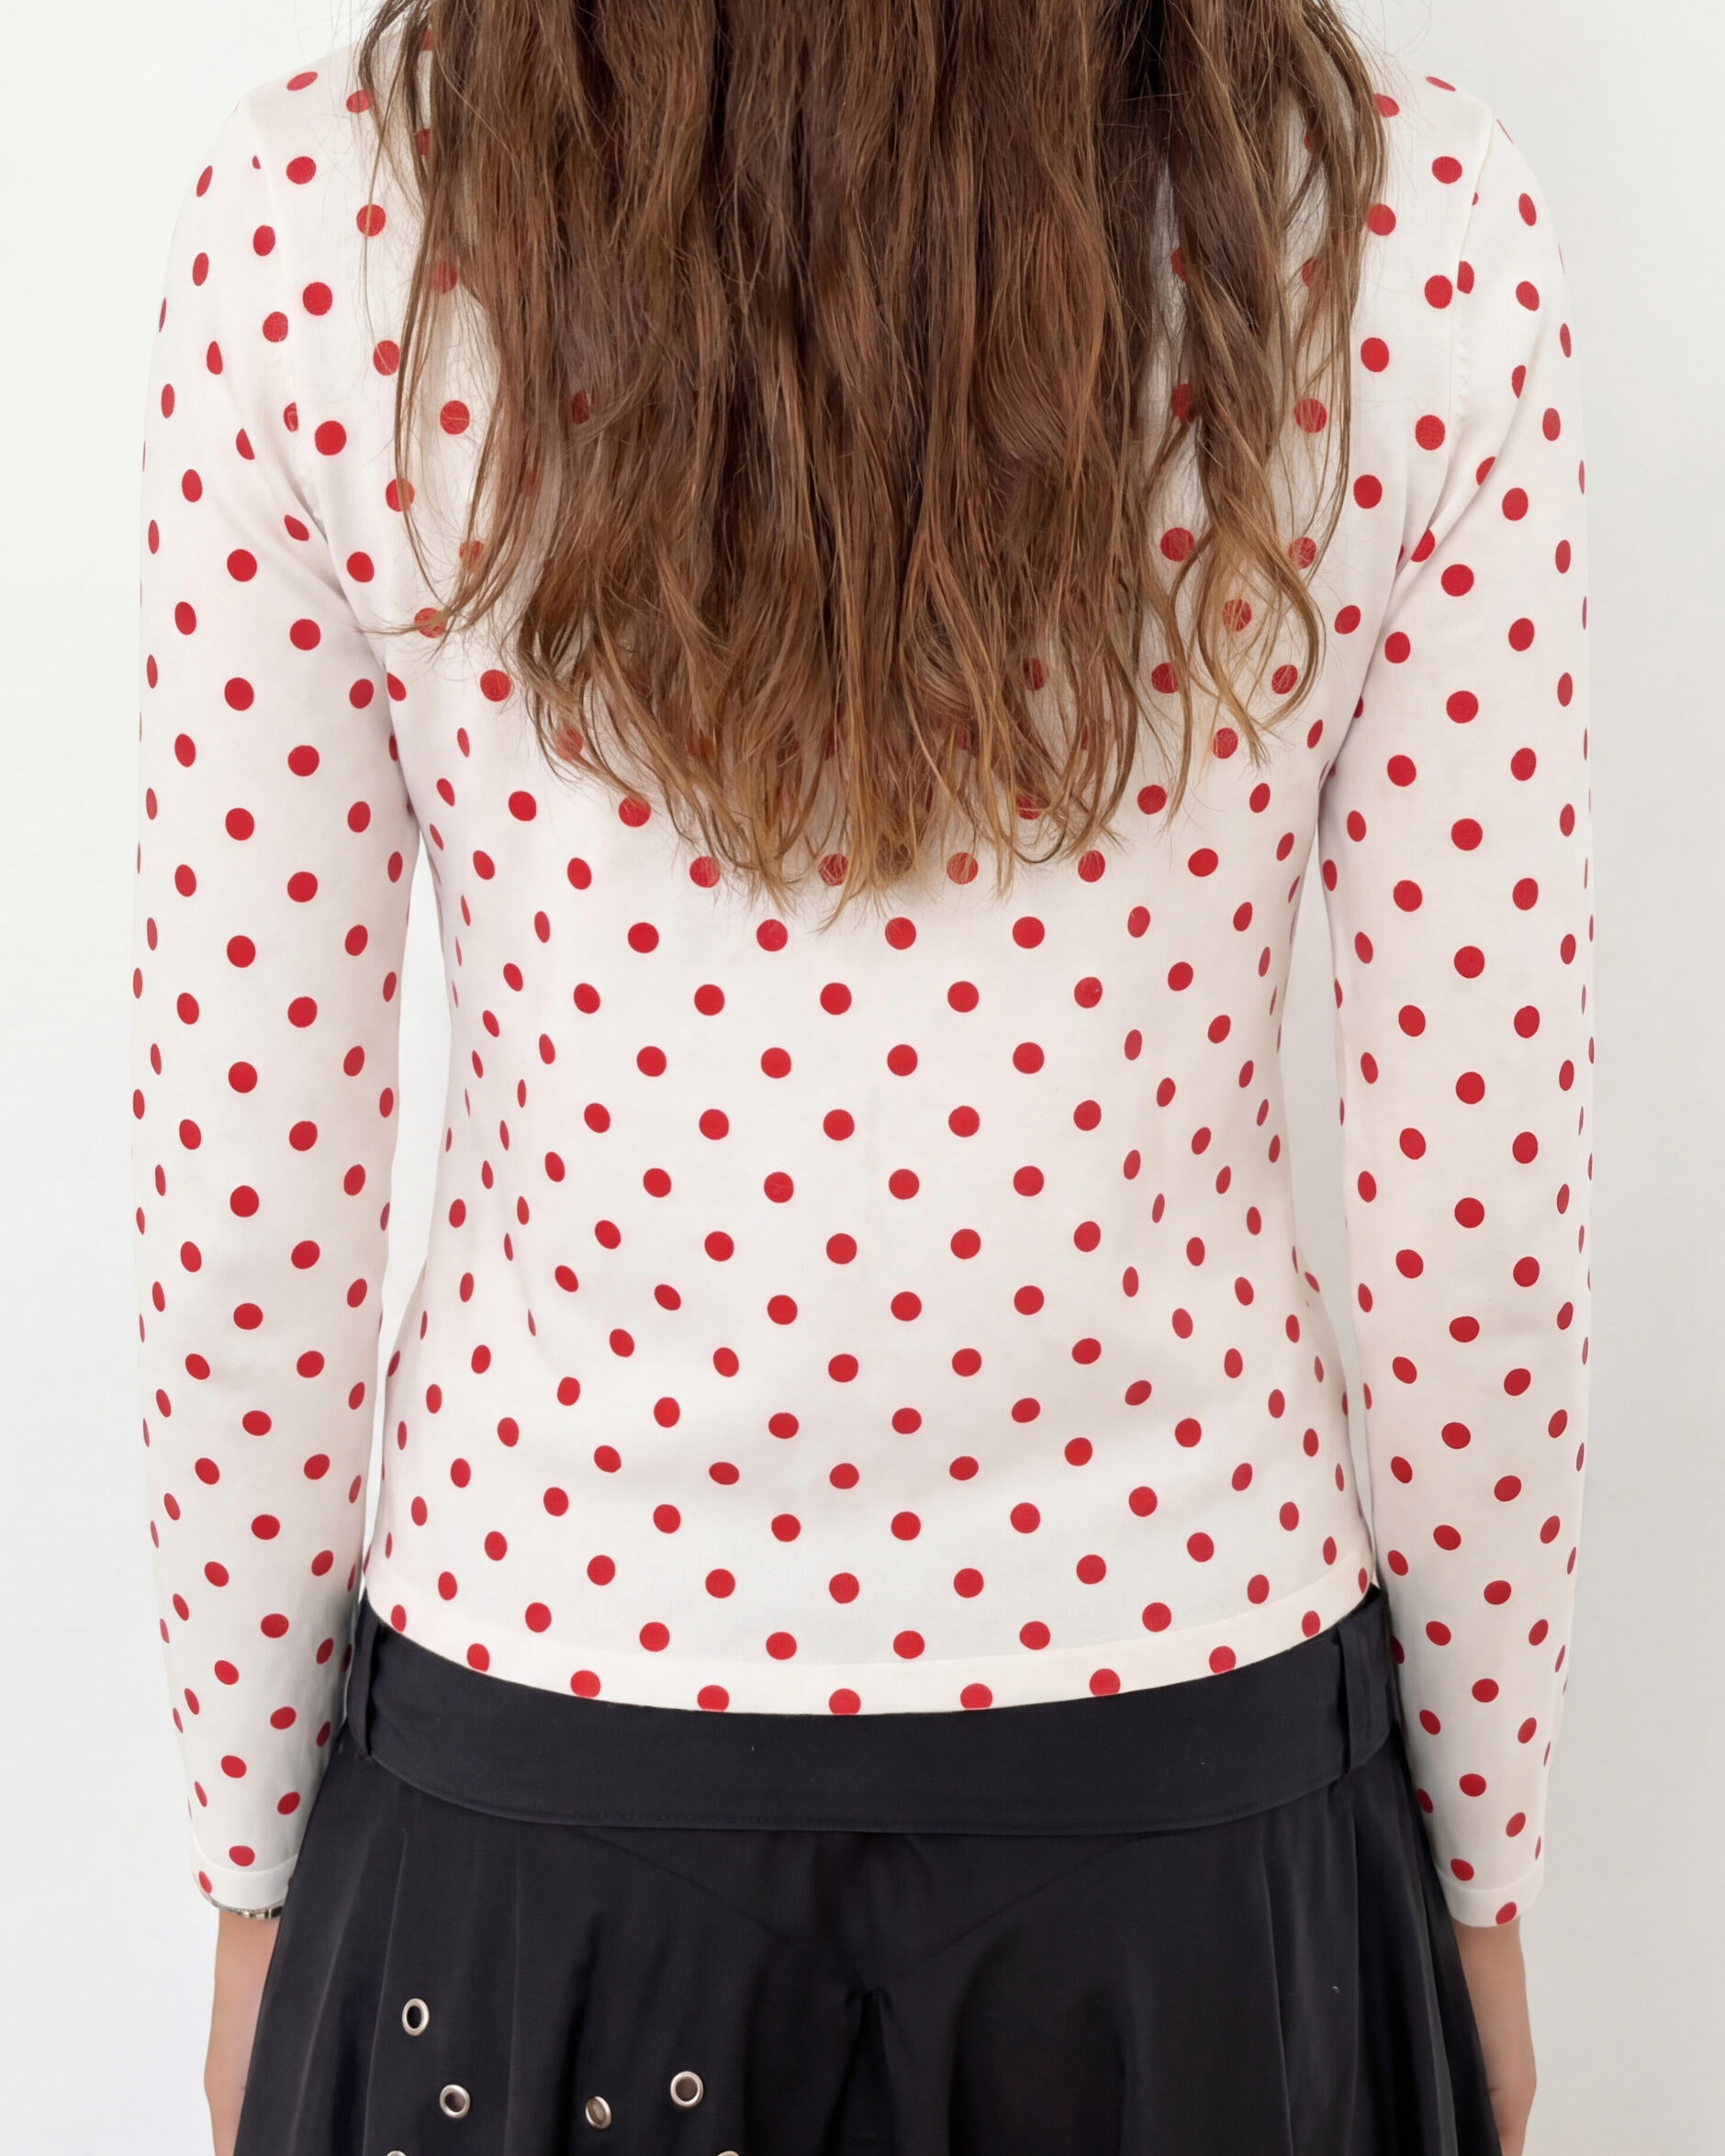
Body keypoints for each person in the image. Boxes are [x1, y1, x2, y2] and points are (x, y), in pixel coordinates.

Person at [129, 3, 1590, 2150]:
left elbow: (246, 1199)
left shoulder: (325, 217)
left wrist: (255, 1878)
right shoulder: (1400, 220)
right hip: (1194, 1783)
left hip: (539, 1771)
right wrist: (1480, 1884)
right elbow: (1480, 1221)